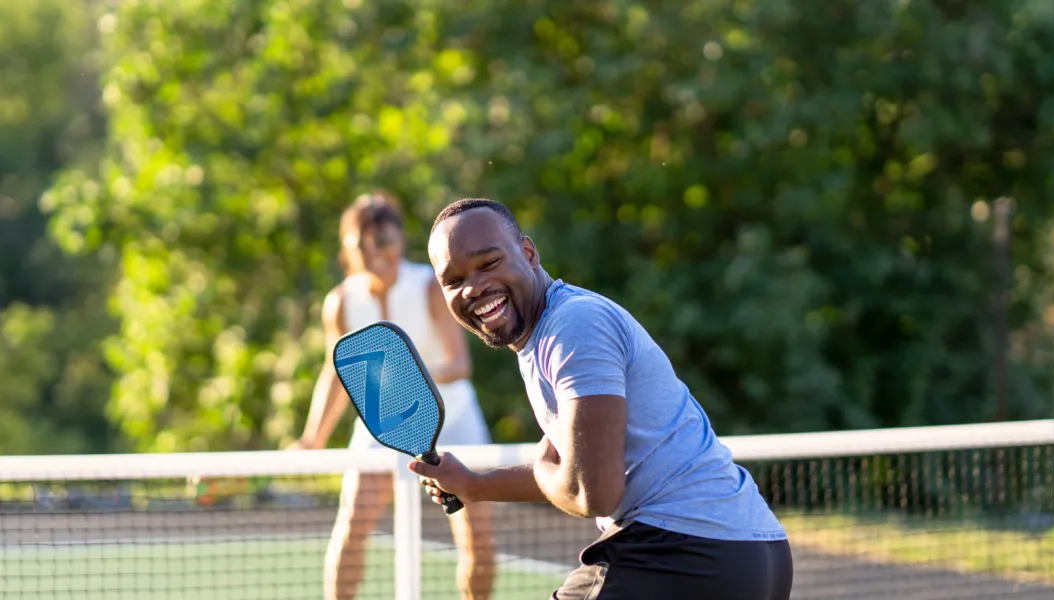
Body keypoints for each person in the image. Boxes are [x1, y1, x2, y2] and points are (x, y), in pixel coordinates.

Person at [410, 198, 794, 599]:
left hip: (684, 552)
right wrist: (475, 485)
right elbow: (577, 468)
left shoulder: (573, 325)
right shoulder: (546, 335)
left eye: (488, 263)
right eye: (453, 280)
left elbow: (592, 492)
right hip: (753, 555)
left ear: (528, 253)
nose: (472, 286)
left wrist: (543, 467)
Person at [295, 191, 496, 600]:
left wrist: (405, 379)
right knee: (351, 527)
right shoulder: (340, 302)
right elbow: (336, 373)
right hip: (380, 428)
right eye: (362, 245)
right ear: (350, 250)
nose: (376, 252)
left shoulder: (428, 285)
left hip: (453, 420)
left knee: (477, 540)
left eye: (384, 241)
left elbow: (460, 364)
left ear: (400, 240)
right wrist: (311, 438)